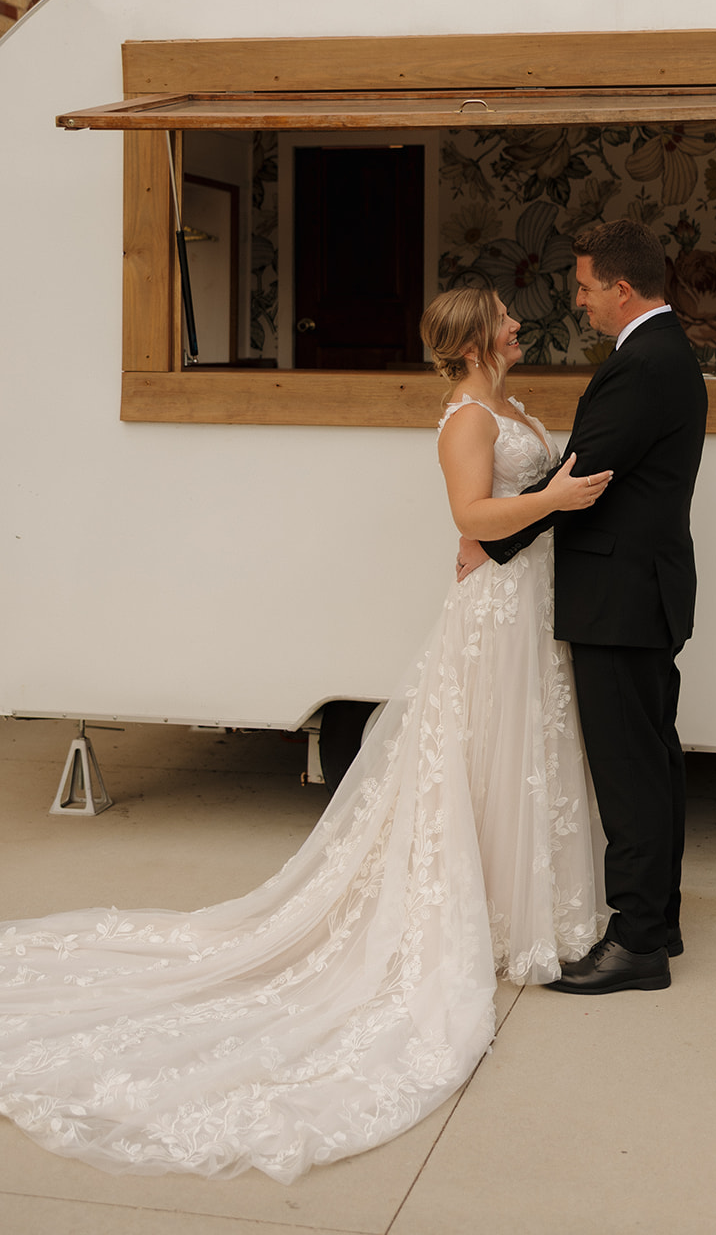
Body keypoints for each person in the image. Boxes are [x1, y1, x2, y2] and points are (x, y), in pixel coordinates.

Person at [0, 288, 609, 1183]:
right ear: (478, 338)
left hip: (528, 593)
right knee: (482, 750)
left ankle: (517, 907)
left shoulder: (508, 403)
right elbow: (470, 520)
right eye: (509, 319)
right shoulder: (466, 418)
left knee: (515, 753)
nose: (523, 326)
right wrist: (553, 497)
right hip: (496, 604)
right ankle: (479, 913)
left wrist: (550, 498)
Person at [459, 220, 708, 994]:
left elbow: (583, 473)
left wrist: (486, 544)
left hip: (620, 595)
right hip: (640, 589)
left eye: (584, 287)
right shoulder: (661, 354)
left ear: (621, 289)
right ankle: (655, 920)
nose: (578, 301)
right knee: (652, 761)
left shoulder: (644, 364)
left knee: (631, 770)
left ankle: (636, 942)